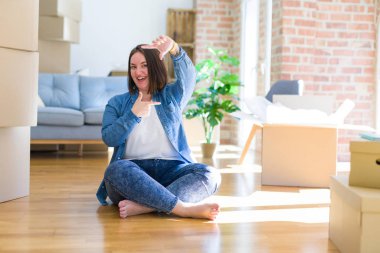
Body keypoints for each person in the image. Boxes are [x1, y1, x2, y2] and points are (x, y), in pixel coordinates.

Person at [96, 35, 222, 220]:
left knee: (210, 175)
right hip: (133, 173)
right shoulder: (117, 103)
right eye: (133, 66)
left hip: (172, 171)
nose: (138, 72)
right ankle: (183, 209)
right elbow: (110, 138)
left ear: (155, 67)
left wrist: (175, 49)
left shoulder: (172, 96)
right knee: (115, 170)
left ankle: (144, 206)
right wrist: (133, 114)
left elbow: (189, 78)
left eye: (144, 65)